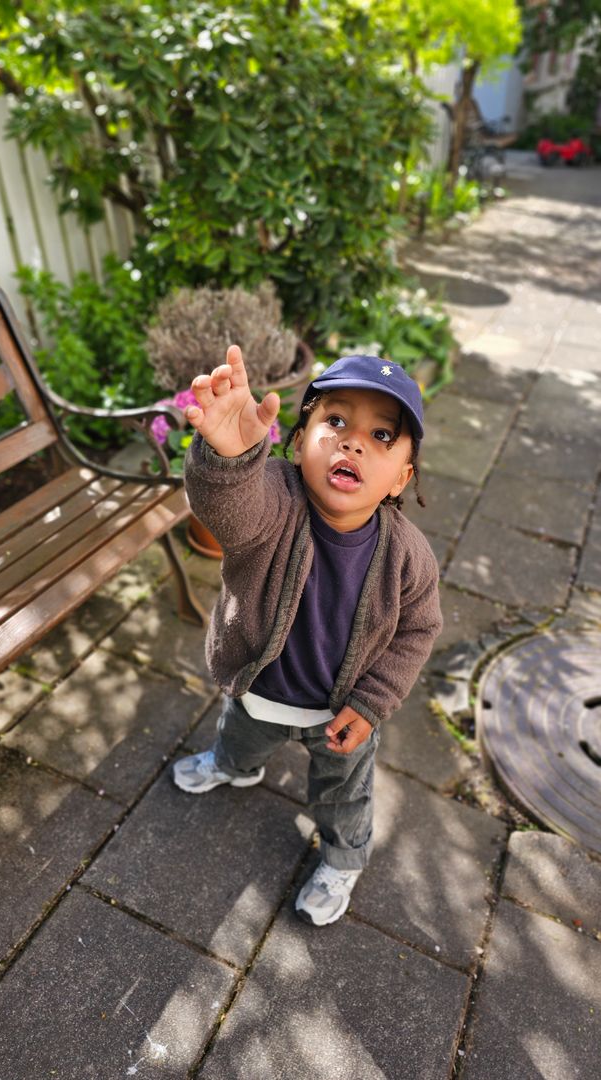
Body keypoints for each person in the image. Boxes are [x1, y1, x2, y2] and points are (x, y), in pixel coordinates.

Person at [173, 347, 443, 926]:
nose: (353, 443)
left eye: (382, 435)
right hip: (258, 688)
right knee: (239, 739)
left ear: (402, 477)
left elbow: (417, 631)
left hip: (339, 714)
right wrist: (230, 458)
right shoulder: (273, 500)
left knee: (344, 794)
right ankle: (234, 766)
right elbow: (229, 509)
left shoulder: (409, 558)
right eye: (335, 421)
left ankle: (343, 858)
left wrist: (372, 702)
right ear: (298, 444)